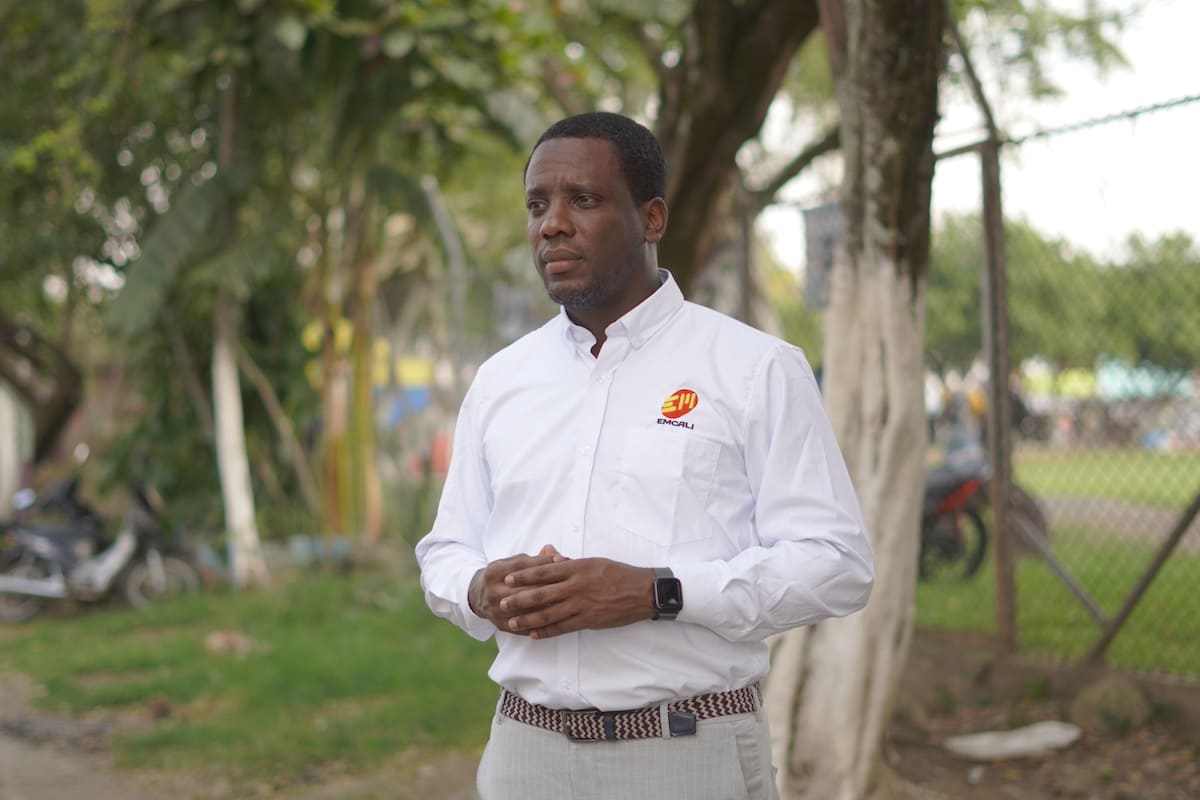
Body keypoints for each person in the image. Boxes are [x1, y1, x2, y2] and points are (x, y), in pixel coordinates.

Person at [415, 111, 874, 800]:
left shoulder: (752, 368)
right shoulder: (502, 380)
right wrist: (480, 589)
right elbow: (446, 549)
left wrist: (657, 592)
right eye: (537, 205)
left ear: (651, 218)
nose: (552, 225)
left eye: (583, 200)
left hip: (685, 751)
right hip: (523, 755)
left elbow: (837, 563)